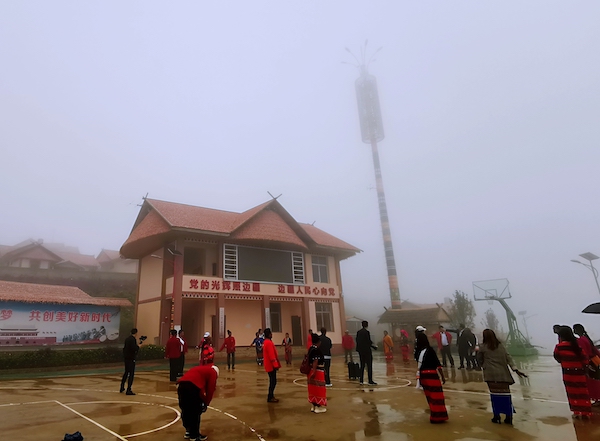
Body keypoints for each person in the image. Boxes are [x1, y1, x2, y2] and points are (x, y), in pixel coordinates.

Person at [476, 329, 526, 425]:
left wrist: (484, 366)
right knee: (506, 396)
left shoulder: (483, 347)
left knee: (494, 396)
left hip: (490, 375)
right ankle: (509, 417)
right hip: (503, 375)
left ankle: (497, 416)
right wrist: (515, 369)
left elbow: (479, 359)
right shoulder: (501, 346)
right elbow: (509, 358)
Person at [554, 326, 593, 418]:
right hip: (579, 374)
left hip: (568, 374)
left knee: (572, 393)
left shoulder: (559, 347)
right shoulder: (577, 346)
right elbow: (585, 359)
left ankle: (576, 411)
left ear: (561, 336)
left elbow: (557, 357)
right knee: (582, 393)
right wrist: (585, 370)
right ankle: (585, 412)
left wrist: (565, 362)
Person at [177, 364, 219, 441]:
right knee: (195, 411)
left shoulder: (199, 368)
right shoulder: (213, 372)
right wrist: (206, 403)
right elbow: (210, 389)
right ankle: (194, 435)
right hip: (192, 388)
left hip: (181, 386)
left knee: (185, 409)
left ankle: (188, 431)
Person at [415, 332, 448, 424]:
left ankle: (434, 414)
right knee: (437, 396)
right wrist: (443, 376)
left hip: (423, 376)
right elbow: (437, 364)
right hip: (432, 375)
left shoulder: (418, 352)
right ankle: (438, 416)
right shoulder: (430, 350)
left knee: (429, 396)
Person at [573, 323, 600, 405]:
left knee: (593, 381)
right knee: (596, 379)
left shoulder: (581, 340)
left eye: (574, 329)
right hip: (596, 360)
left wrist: (585, 364)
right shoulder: (586, 338)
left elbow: (584, 353)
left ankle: (597, 399)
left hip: (590, 361)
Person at [307, 333, 327, 413]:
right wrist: (314, 371)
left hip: (311, 370)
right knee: (319, 388)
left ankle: (313, 405)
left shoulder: (311, 348)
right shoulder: (316, 350)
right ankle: (319, 407)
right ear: (318, 341)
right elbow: (316, 360)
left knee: (313, 388)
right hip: (317, 371)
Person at [263, 328, 281, 402]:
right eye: (271, 333)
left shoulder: (266, 342)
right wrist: (275, 365)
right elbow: (271, 355)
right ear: (269, 334)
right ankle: (270, 396)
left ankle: (271, 396)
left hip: (269, 364)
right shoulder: (268, 343)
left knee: (272, 381)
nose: (272, 334)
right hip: (271, 365)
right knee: (273, 381)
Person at [356, 320, 377, 385]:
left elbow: (357, 340)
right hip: (367, 351)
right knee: (369, 365)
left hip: (360, 351)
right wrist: (374, 346)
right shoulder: (367, 332)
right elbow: (368, 341)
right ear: (367, 325)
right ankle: (370, 380)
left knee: (362, 365)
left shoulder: (358, 332)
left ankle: (361, 380)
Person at [120, 328, 139, 395]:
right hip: (131, 358)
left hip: (126, 358)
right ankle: (129, 389)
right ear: (136, 333)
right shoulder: (133, 340)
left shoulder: (127, 339)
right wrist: (138, 347)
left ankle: (122, 387)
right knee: (131, 374)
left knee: (126, 372)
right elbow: (134, 348)